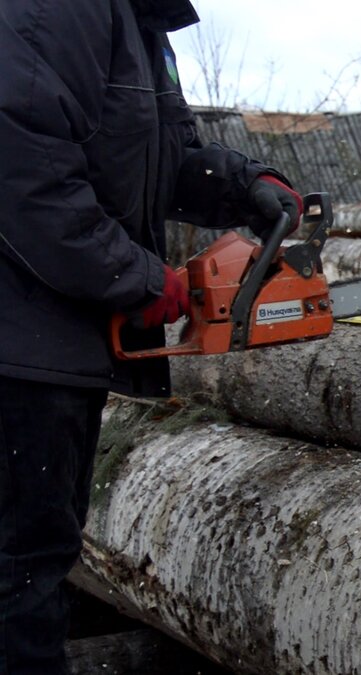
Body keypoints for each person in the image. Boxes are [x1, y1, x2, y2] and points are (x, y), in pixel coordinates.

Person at [0, 1, 302, 671]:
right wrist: (139, 277)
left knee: (38, 564)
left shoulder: (138, 23)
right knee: (19, 577)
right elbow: (23, 168)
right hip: (19, 354)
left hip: (51, 349)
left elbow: (154, 160)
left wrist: (242, 184)